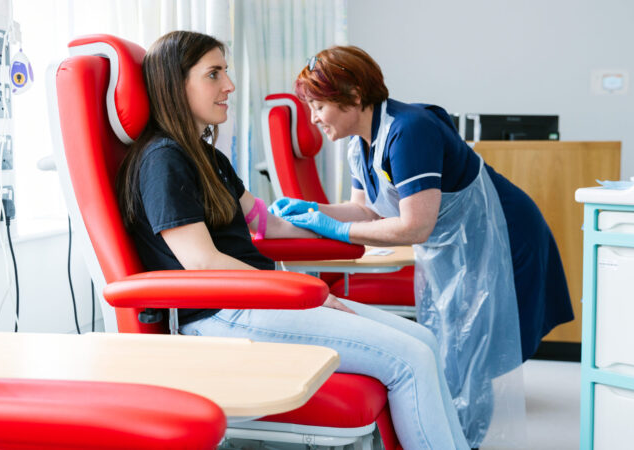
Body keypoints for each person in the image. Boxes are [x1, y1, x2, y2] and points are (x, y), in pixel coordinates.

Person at [115, 31, 470, 450]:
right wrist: (300, 292)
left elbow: (265, 224)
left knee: (424, 341)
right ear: (175, 84)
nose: (229, 85)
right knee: (410, 361)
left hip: (256, 302)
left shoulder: (209, 158)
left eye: (226, 72)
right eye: (214, 74)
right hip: (219, 313)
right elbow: (202, 263)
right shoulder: (163, 160)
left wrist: (317, 219)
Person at [274, 45, 574, 445]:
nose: (312, 118)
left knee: (472, 358)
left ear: (354, 97)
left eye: (318, 106)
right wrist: (313, 210)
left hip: (502, 235)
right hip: (454, 244)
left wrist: (335, 229)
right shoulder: (358, 143)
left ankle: (464, 441)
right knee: (451, 349)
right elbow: (364, 211)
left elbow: (414, 227)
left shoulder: (408, 130)